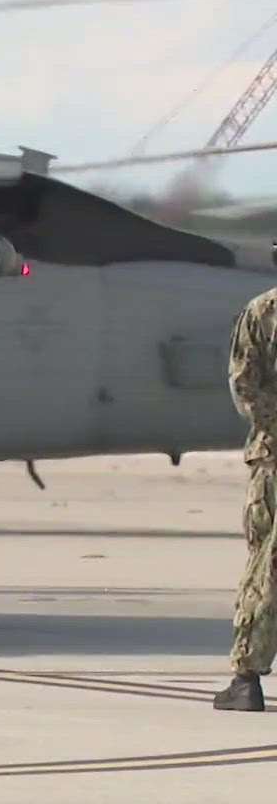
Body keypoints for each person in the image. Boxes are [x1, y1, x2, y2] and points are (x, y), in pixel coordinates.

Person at [216, 283, 277, 712]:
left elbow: (246, 386)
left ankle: (247, 676)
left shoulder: (264, 310)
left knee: (267, 567)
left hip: (274, 459)